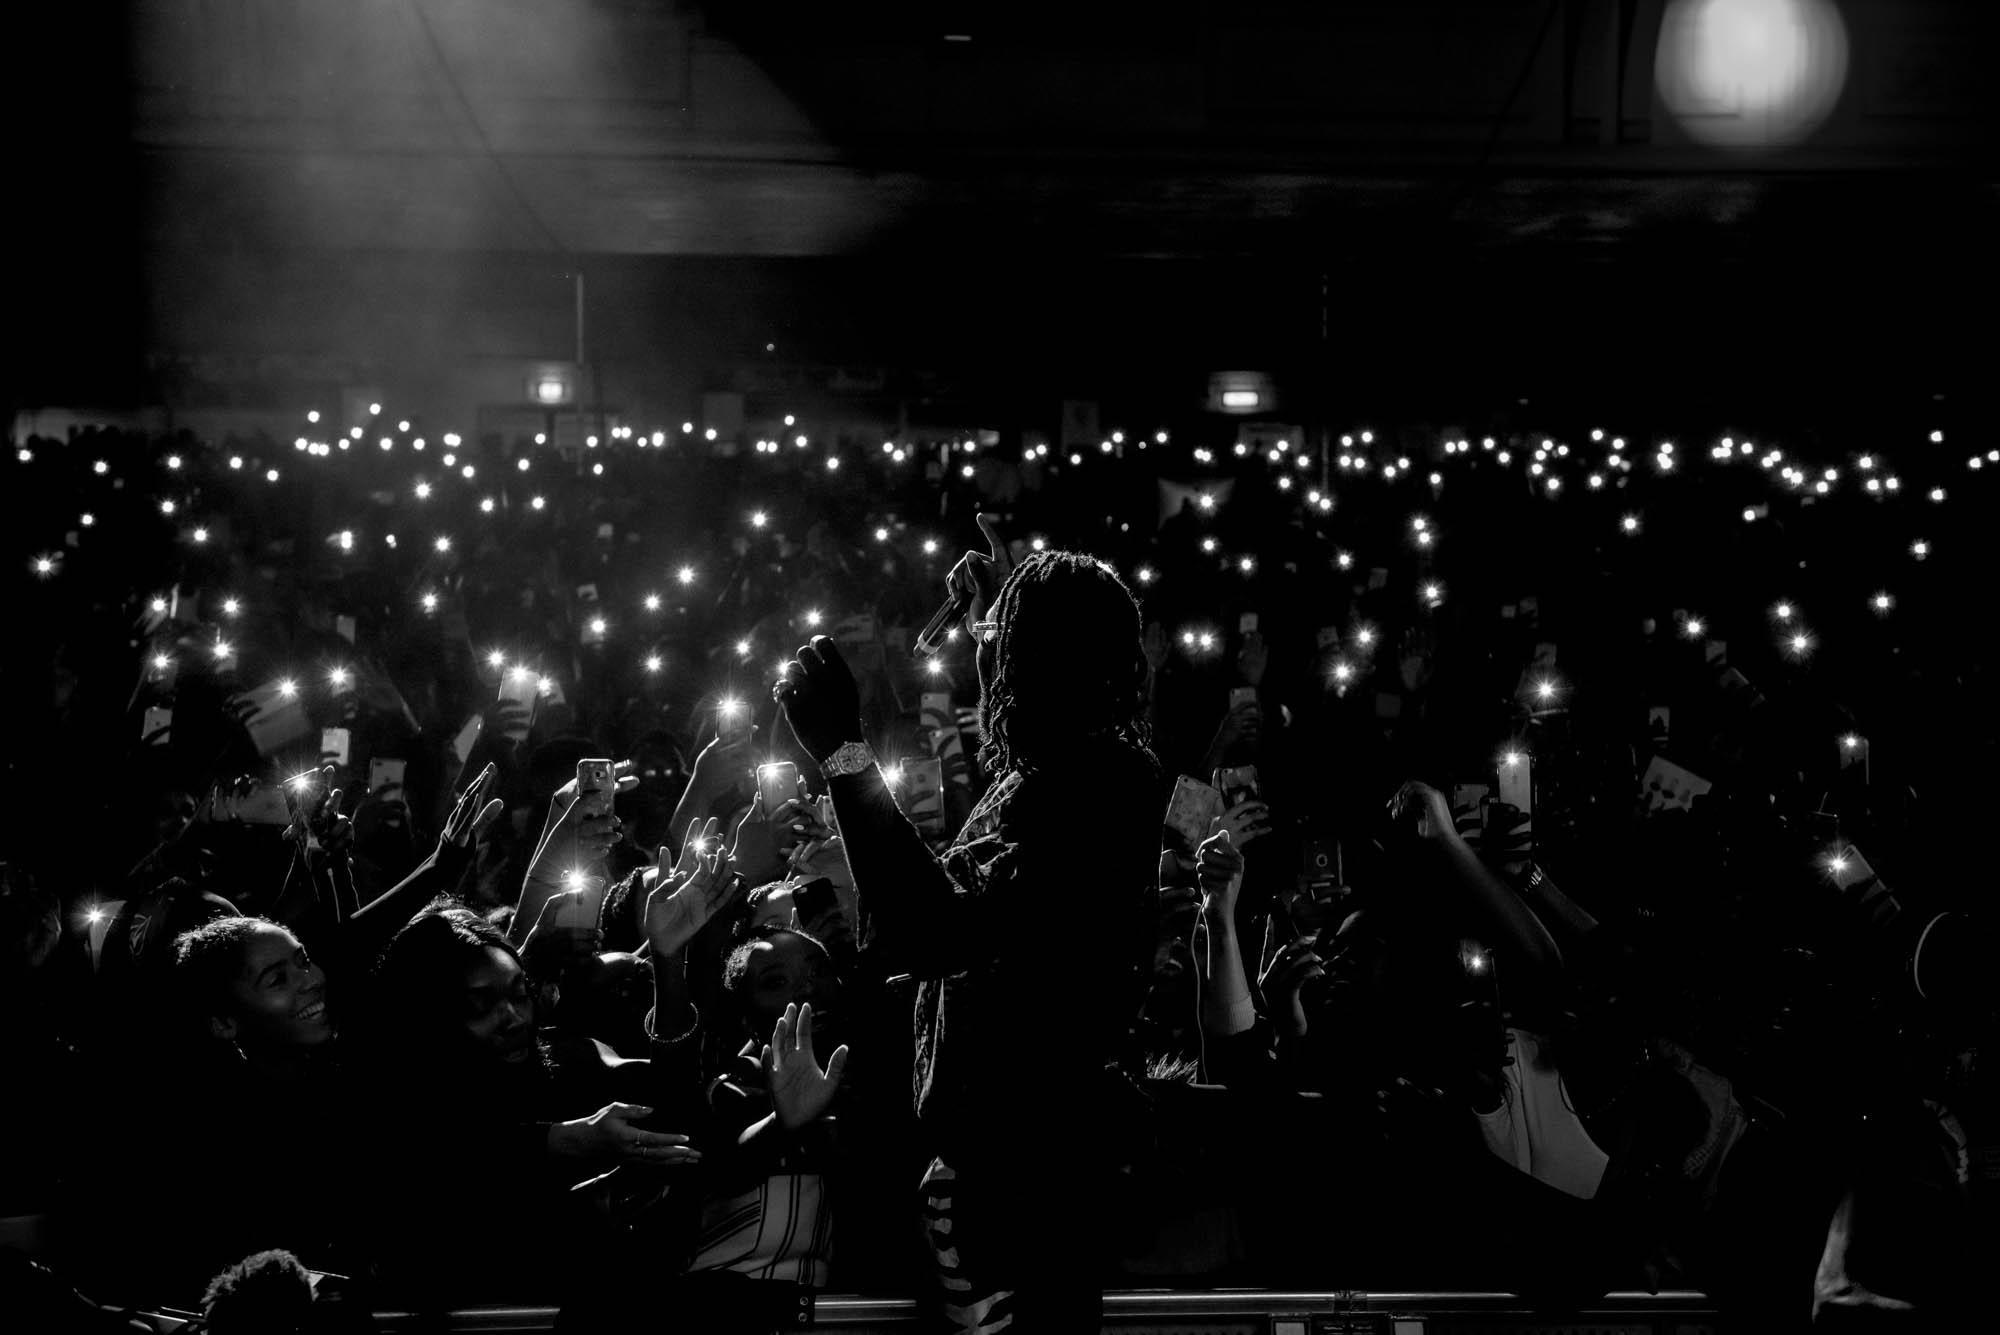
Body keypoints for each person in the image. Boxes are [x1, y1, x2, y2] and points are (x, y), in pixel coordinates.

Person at [774, 515, 1162, 1331]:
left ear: (1037, 667)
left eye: (1003, 643)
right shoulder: (1075, 770)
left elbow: (936, 929)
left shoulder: (1089, 786)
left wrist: (846, 756)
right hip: (1006, 1174)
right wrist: (1002, 612)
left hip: (1022, 1192)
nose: (984, 655)